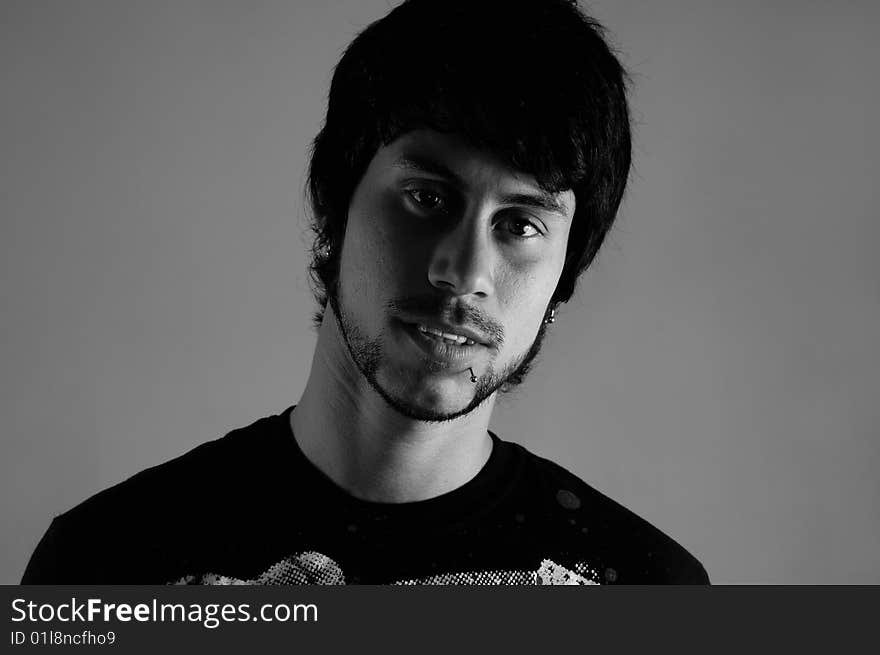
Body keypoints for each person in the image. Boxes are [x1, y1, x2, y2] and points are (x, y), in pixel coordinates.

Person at [22, 0, 709, 585]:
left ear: (565, 274)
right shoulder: (104, 565)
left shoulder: (646, 595)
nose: (463, 271)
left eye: (520, 224)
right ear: (333, 206)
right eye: (427, 196)